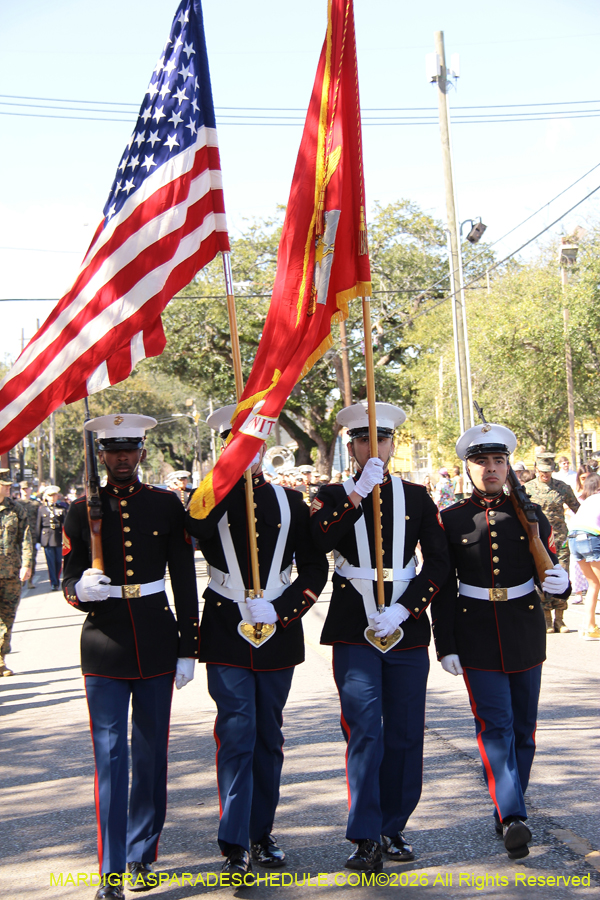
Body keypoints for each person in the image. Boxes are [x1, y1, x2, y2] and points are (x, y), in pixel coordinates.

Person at [185, 406, 328, 877]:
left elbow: (313, 567)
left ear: (265, 446)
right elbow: (197, 529)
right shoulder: (207, 499)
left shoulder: (290, 501)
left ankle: (260, 832)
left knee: (268, 735)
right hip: (227, 624)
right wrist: (223, 480)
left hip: (276, 628)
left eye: (253, 442)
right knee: (237, 730)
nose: (247, 450)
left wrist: (285, 608)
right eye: (236, 442)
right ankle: (234, 841)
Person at [62, 414, 199, 900]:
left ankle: (143, 852)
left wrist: (189, 645)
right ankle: (111, 869)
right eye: (112, 451)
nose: (121, 458)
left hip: (158, 637)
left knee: (150, 752)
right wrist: (79, 589)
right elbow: (67, 574)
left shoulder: (165, 505)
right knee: (109, 756)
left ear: (141, 452)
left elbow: (184, 578)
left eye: (129, 450)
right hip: (104, 644)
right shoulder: (81, 510)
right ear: (101, 456)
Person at [309, 402, 449, 873]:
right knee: (365, 731)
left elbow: (439, 563)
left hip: (404, 626)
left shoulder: (418, 495)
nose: (374, 447)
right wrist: (353, 497)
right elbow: (315, 542)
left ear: (393, 444)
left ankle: (393, 826)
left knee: (407, 733)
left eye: (382, 439)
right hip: (354, 625)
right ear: (351, 446)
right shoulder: (331, 494)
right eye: (364, 439)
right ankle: (366, 835)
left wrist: (408, 609)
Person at [432, 423, 570, 861]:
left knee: (525, 730)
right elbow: (442, 586)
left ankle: (510, 808)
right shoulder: (450, 519)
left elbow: (547, 568)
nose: (491, 469)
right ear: (467, 469)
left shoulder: (530, 514)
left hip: (525, 627)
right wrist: (446, 643)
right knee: (496, 727)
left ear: (508, 466)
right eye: (481, 462)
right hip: (475, 633)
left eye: (498, 461)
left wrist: (562, 585)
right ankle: (512, 814)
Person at [525, 452, 579, 633]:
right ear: (536, 468)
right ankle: (546, 618)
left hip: (560, 540)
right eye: (542, 471)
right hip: (538, 540)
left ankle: (560, 619)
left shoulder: (562, 487)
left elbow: (577, 508)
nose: (545, 475)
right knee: (543, 574)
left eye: (548, 471)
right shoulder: (527, 488)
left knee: (561, 574)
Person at [0, 469, 33, 676]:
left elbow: (26, 538)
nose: (7, 487)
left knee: (7, 618)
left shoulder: (17, 510)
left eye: (7, 485)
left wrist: (28, 564)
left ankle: (0, 659)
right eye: (3, 484)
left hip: (10, 574)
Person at [567, 473, 600, 640]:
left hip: (574, 538)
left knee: (594, 583)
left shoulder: (587, 501)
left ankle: (589, 626)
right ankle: (589, 626)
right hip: (591, 537)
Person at [36, 485, 66, 590]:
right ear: (46, 497)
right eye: (50, 496)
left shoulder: (61, 508)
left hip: (57, 537)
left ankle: (56, 579)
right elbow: (38, 525)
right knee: (51, 562)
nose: (53, 498)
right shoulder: (42, 509)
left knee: (58, 561)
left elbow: (65, 523)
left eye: (54, 495)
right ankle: (54, 582)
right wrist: (38, 541)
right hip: (47, 538)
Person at [19, 481, 41, 587]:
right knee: (18, 557)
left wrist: (39, 537)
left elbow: (39, 520)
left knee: (32, 558)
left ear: (30, 489)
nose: (25, 490)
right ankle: (21, 579)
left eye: (27, 488)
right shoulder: (16, 504)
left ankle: (30, 580)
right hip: (19, 534)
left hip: (32, 534)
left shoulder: (35, 504)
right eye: (23, 488)